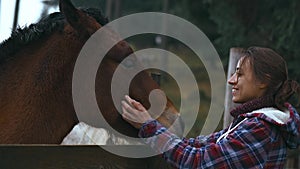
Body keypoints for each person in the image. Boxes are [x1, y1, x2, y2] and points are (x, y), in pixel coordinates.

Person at [121, 46, 300, 168]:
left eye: (240, 74)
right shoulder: (256, 122)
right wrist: (154, 126)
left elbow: (198, 162)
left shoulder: (260, 128)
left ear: (263, 81)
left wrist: (149, 127)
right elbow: (199, 145)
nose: (231, 81)